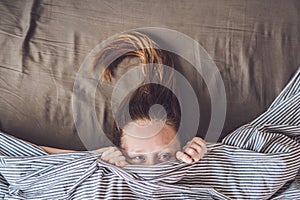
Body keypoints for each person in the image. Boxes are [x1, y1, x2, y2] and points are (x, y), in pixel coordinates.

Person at [39, 32, 207, 167]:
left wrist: (206, 155)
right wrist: (92, 158)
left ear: (182, 146)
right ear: (121, 151)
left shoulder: (193, 160)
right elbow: (15, 155)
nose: (151, 169)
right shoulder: (107, 166)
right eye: (138, 158)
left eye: (165, 155)